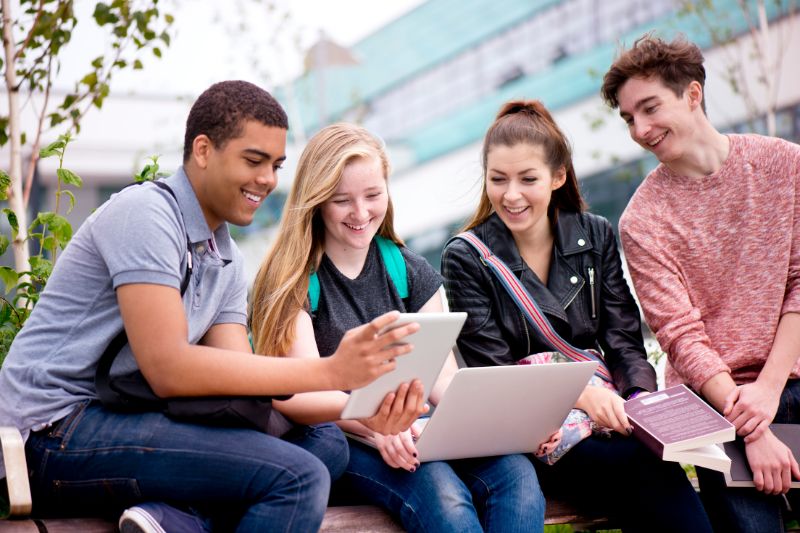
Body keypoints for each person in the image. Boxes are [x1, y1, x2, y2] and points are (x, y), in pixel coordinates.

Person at [0, 81, 425, 533]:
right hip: (53, 430)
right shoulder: (146, 214)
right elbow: (169, 367)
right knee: (297, 478)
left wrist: (364, 409)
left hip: (129, 416)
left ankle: (175, 520)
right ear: (203, 150)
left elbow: (241, 383)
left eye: (276, 165)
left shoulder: (224, 257)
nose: (268, 179)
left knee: (324, 444)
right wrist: (335, 372)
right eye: (254, 160)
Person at [250, 122, 547, 533]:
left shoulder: (408, 269)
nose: (361, 213)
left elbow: (442, 375)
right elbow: (297, 394)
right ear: (316, 201)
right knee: (444, 498)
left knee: (516, 477)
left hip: (415, 427)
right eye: (341, 201)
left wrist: (484, 420)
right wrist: (375, 425)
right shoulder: (294, 280)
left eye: (373, 195)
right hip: (347, 440)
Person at [441, 99, 713, 532]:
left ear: (557, 176)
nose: (510, 195)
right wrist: (581, 396)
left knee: (656, 461)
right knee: (642, 469)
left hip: (611, 412)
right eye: (498, 179)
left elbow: (623, 339)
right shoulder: (467, 257)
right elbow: (492, 372)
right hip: (536, 431)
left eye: (527, 179)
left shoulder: (595, 234)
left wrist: (639, 401)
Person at [601, 34, 800, 532]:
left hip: (788, 382)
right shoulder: (642, 221)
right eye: (628, 118)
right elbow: (680, 336)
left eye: (649, 108)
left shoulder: (784, 165)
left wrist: (770, 392)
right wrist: (752, 429)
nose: (640, 130)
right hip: (716, 404)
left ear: (693, 94)